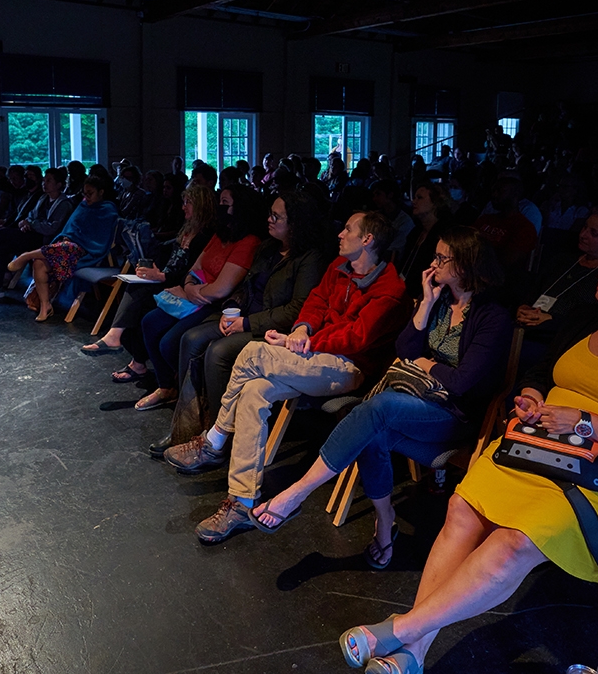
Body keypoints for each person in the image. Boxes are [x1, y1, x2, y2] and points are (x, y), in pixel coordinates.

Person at [337, 234, 598, 674]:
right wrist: (532, 395)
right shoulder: (589, 317)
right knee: (461, 507)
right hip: (539, 446)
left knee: (514, 541)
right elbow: (540, 370)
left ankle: (400, 632)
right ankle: (413, 653)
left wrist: (586, 423)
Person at [250, 227, 510, 569]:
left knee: (379, 408)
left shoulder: (493, 316)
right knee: (373, 429)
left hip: (453, 415)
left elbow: (461, 383)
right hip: (417, 401)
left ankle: (296, 493)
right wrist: (427, 304)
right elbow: (404, 350)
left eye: (441, 258)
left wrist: (426, 362)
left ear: (463, 266)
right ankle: (385, 523)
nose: (432, 263)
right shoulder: (442, 301)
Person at [164, 211, 409, 544]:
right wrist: (302, 328)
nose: (340, 234)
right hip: (313, 355)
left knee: (251, 352)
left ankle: (215, 439)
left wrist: (307, 341)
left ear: (367, 240)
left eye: (348, 229)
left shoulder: (390, 288)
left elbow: (357, 338)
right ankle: (243, 502)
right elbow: (316, 302)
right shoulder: (339, 269)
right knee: (253, 391)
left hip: (349, 367)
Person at [147, 190, 334, 456]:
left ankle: (218, 437)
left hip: (270, 328)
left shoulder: (309, 258)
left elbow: (295, 310)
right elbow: (246, 287)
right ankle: (187, 425)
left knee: (218, 352)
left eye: (276, 216)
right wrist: (230, 309)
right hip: (245, 316)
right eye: (270, 213)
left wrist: (246, 323)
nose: (268, 219)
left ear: (295, 223)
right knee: (190, 339)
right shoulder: (269, 248)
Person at [111, 185, 265, 405]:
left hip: (215, 304)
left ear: (240, 208)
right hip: (196, 295)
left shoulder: (248, 241)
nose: (219, 207)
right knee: (150, 321)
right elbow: (194, 268)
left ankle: (190, 395)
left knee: (169, 342)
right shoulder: (220, 235)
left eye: (224, 203)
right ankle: (166, 386)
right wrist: (190, 287)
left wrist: (190, 290)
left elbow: (222, 289)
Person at [80, 185, 215, 355]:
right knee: (134, 286)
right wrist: (152, 270)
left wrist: (161, 275)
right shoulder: (188, 229)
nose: (183, 206)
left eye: (188, 202)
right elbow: (169, 255)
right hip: (168, 277)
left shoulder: (205, 236)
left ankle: (121, 344)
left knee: (139, 296)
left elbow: (191, 271)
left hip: (180, 284)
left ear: (201, 205)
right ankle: (122, 345)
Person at [516, 206, 598, 347]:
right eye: (584, 227)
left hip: (561, 341)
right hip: (527, 328)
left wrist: (552, 320)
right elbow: (532, 292)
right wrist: (524, 307)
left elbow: (593, 321)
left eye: (594, 233)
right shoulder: (561, 261)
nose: (583, 235)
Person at [3, 176, 118, 322]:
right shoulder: (84, 206)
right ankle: (46, 306)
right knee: (40, 262)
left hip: (87, 250)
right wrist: (68, 236)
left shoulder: (108, 209)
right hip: (69, 249)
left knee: (66, 248)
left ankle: (25, 256)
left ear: (101, 192)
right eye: (85, 193)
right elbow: (71, 226)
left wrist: (77, 240)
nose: (86, 196)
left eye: (90, 193)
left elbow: (100, 236)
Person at [395, 181, 453, 299]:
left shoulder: (445, 235)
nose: (414, 201)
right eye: (414, 197)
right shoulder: (416, 231)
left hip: (429, 294)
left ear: (435, 203)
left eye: (419, 198)